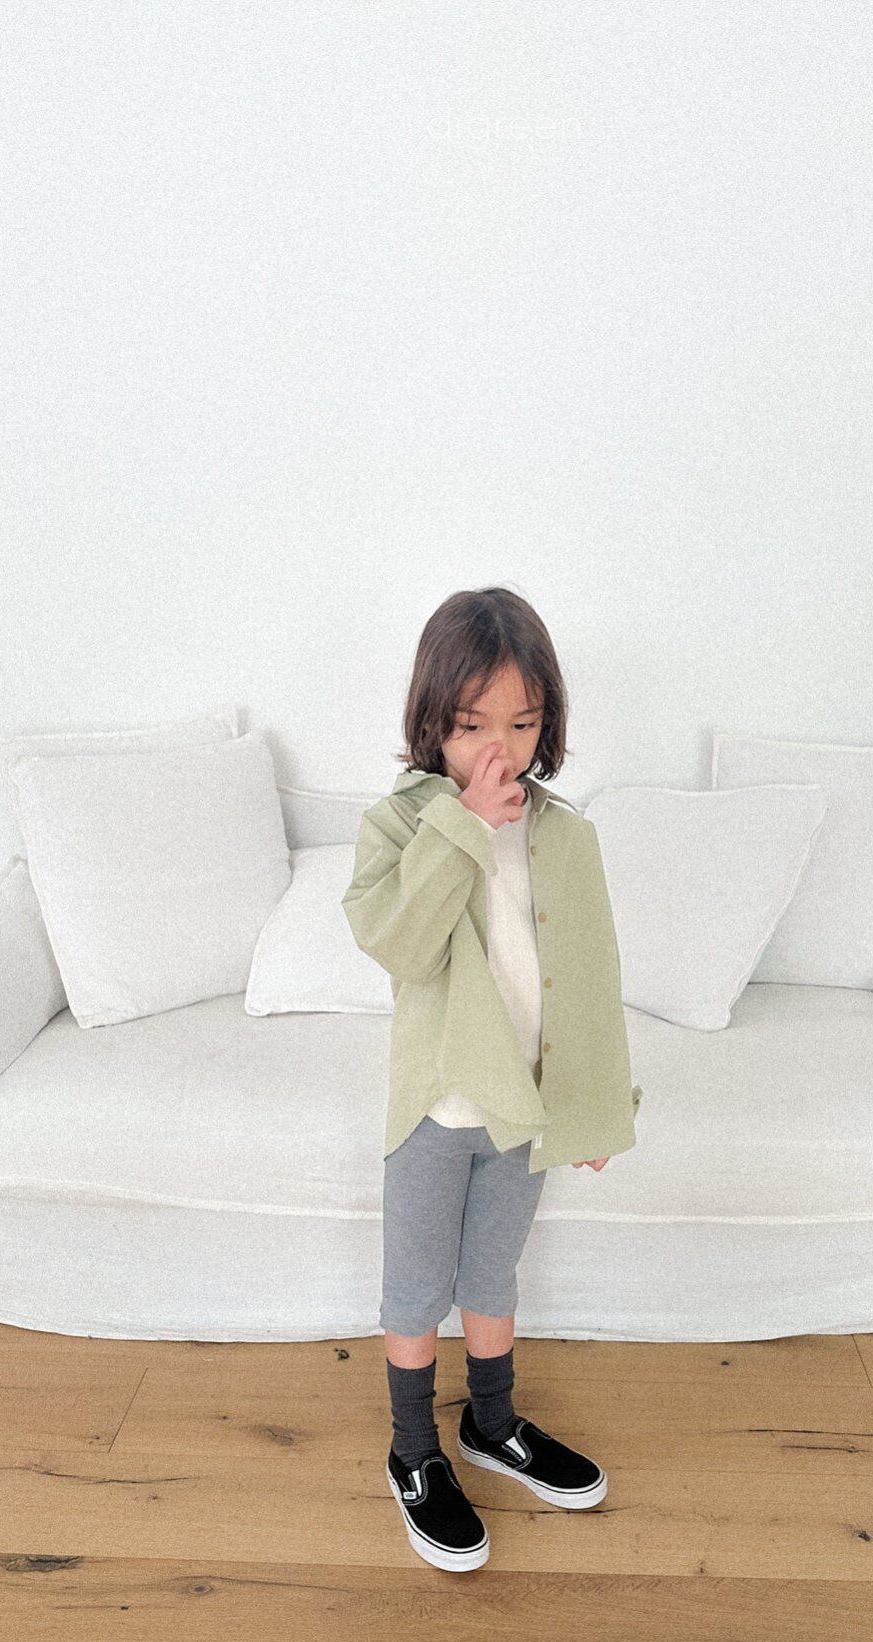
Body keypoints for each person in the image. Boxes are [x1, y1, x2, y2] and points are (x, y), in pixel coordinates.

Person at [341, 586, 642, 1572]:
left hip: (524, 1108)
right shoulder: (400, 826)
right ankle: (413, 1448)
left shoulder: (566, 834)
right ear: (433, 721)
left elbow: (590, 979)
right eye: (472, 726)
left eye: (521, 722)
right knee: (415, 1288)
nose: (497, 749)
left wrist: (593, 1106)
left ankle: (492, 1422)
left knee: (491, 1275)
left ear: (547, 721)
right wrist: (462, 826)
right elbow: (401, 943)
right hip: (436, 1106)